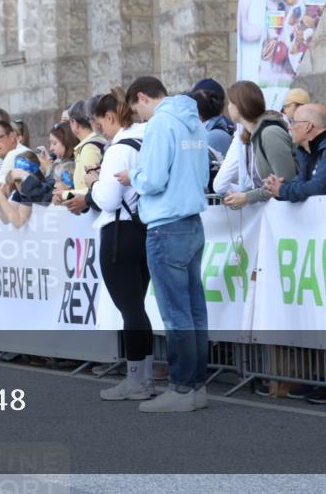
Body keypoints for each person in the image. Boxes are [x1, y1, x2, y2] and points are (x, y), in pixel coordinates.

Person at [116, 76, 209, 413]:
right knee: (195, 311)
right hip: (192, 221)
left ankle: (182, 388)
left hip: (166, 224)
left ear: (142, 97)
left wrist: (133, 177)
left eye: (136, 109)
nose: (138, 117)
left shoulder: (159, 125)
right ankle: (196, 385)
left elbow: (152, 180)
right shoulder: (194, 122)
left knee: (176, 313)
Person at [86, 89, 153, 401]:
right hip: (144, 228)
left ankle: (137, 380)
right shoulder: (148, 138)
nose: (101, 131)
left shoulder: (118, 148)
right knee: (137, 307)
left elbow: (108, 198)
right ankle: (143, 377)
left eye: (100, 125)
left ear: (110, 118)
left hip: (118, 232)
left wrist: (93, 186)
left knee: (131, 309)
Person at [222, 81, 297, 209]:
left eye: (230, 103)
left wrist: (246, 197)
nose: (228, 107)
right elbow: (268, 185)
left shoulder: (270, 134)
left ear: (239, 107)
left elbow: (285, 182)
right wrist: (241, 196)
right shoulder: (256, 134)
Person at [263, 104, 326, 201]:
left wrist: (282, 189)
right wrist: (276, 187)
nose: (289, 128)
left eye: (293, 122)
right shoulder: (306, 150)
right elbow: (302, 184)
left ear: (308, 126)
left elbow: (318, 188)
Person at [64, 99, 106, 214]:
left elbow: (91, 187)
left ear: (74, 123)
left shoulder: (89, 148)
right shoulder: (89, 145)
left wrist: (64, 194)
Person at [0, 151, 52, 227]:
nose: (19, 184)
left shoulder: (37, 188)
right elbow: (6, 219)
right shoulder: (21, 191)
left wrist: (1, 198)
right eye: (17, 181)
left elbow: (19, 222)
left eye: (21, 179)